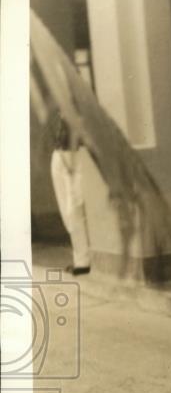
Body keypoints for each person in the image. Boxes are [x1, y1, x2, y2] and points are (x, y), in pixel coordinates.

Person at [50, 117, 92, 275]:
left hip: (74, 155)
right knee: (67, 212)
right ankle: (79, 258)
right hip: (60, 154)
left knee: (73, 209)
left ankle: (83, 261)